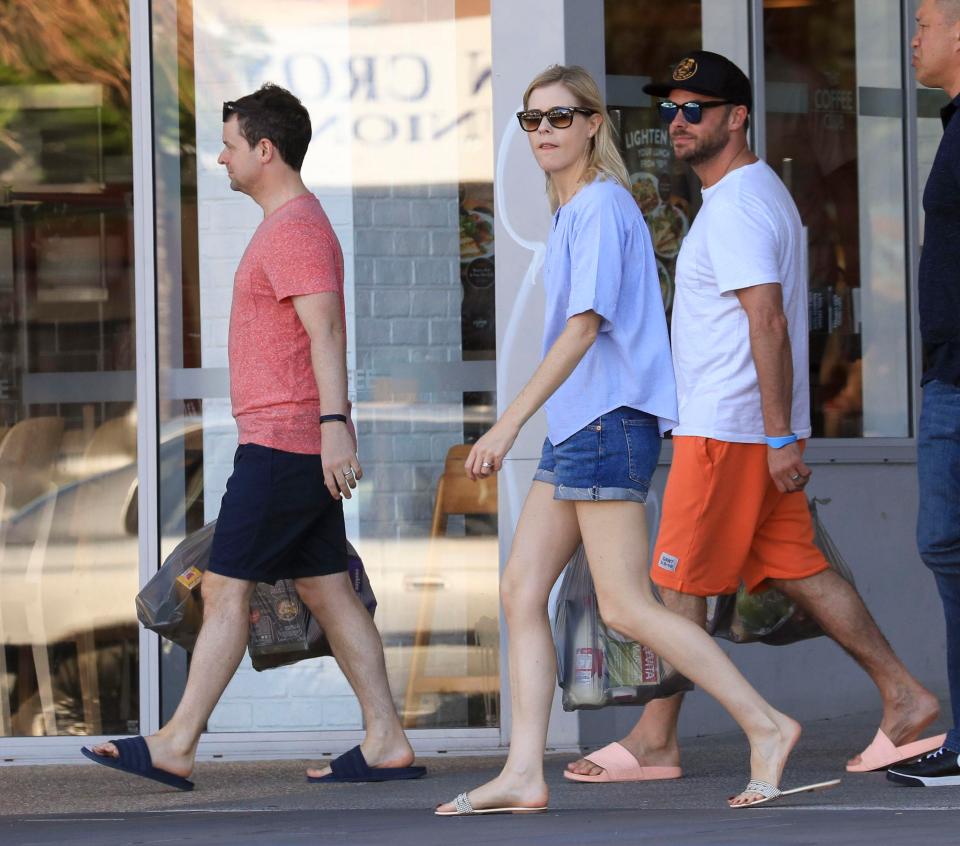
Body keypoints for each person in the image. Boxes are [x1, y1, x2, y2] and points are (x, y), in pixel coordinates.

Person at [436, 64, 834, 816]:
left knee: (623, 605)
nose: (545, 131)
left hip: (606, 424)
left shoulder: (602, 206)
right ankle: (525, 771)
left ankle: (767, 724)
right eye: (533, 121)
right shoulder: (576, 211)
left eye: (561, 117)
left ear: (593, 124)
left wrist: (508, 420)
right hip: (581, 426)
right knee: (522, 590)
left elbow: (585, 329)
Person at [564, 50, 941, 790]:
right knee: (801, 570)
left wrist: (775, 436)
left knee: (676, 588)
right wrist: (781, 434)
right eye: (669, 109)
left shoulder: (737, 204)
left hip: (728, 432)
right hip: (743, 431)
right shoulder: (746, 197)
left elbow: (766, 323)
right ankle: (905, 696)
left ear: (736, 117)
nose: (677, 121)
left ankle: (654, 739)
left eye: (694, 109)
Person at [82, 84, 423, 790]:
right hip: (290, 440)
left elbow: (325, 331)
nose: (222, 157)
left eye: (231, 145)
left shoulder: (296, 227)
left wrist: (334, 429)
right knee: (328, 590)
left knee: (225, 589)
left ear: (265, 150)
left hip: (284, 445)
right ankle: (387, 739)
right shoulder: (289, 224)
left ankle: (177, 742)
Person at [888, 0, 960, 789]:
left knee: (949, 543)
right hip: (947, 374)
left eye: (927, 23)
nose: (913, 38)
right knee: (945, 543)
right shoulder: (952, 125)